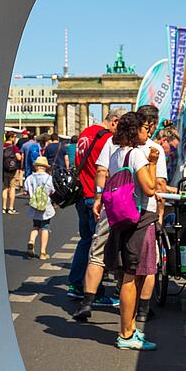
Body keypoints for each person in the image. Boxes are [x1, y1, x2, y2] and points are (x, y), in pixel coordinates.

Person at [72, 105, 167, 322]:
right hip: (142, 213)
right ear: (147, 126)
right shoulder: (152, 150)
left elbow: (101, 172)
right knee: (143, 263)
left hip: (112, 208)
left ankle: (87, 303)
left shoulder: (112, 145)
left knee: (98, 255)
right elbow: (155, 187)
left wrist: (98, 197)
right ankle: (141, 309)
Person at [103, 111, 159, 351]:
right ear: (135, 131)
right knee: (132, 276)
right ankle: (126, 334)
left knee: (131, 274)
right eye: (145, 128)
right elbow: (149, 188)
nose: (148, 132)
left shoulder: (116, 154)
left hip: (123, 219)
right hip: (140, 218)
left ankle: (131, 329)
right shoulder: (136, 154)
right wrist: (153, 163)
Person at [67, 108, 126, 299]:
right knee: (99, 247)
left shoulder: (86, 133)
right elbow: (107, 169)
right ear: (115, 121)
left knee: (85, 242)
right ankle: (95, 293)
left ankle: (75, 284)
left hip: (82, 195)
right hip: (96, 196)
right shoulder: (107, 139)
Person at [24, 156, 55, 260]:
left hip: (34, 206)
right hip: (45, 206)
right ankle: (43, 252)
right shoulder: (49, 178)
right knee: (45, 227)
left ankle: (31, 241)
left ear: (36, 167)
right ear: (45, 167)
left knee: (35, 226)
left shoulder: (30, 178)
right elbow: (52, 191)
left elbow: (26, 191)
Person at [2, 131, 22, 215]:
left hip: (4, 169)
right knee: (12, 188)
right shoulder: (14, 147)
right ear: (11, 138)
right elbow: (19, 157)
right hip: (12, 170)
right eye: (14, 137)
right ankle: (10, 208)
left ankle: (3, 207)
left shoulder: (2, 146)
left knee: (5, 188)